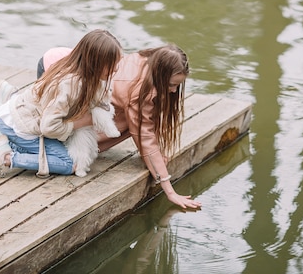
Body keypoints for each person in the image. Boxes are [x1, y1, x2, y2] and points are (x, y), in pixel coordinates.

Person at [38, 44, 201, 211]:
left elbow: (147, 124)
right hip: (54, 69)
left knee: (126, 121)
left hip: (63, 57)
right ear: (160, 74)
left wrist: (156, 157)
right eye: (171, 85)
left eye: (177, 86)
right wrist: (170, 191)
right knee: (71, 149)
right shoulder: (139, 91)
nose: (174, 91)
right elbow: (144, 136)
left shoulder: (148, 61)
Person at [0, 29, 123, 178]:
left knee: (67, 148)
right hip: (20, 126)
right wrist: (82, 122)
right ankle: (4, 155)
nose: (116, 69)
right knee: (69, 163)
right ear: (96, 62)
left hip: (23, 113)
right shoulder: (71, 86)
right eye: (111, 64)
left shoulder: (79, 72)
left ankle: (1, 106)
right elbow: (48, 127)